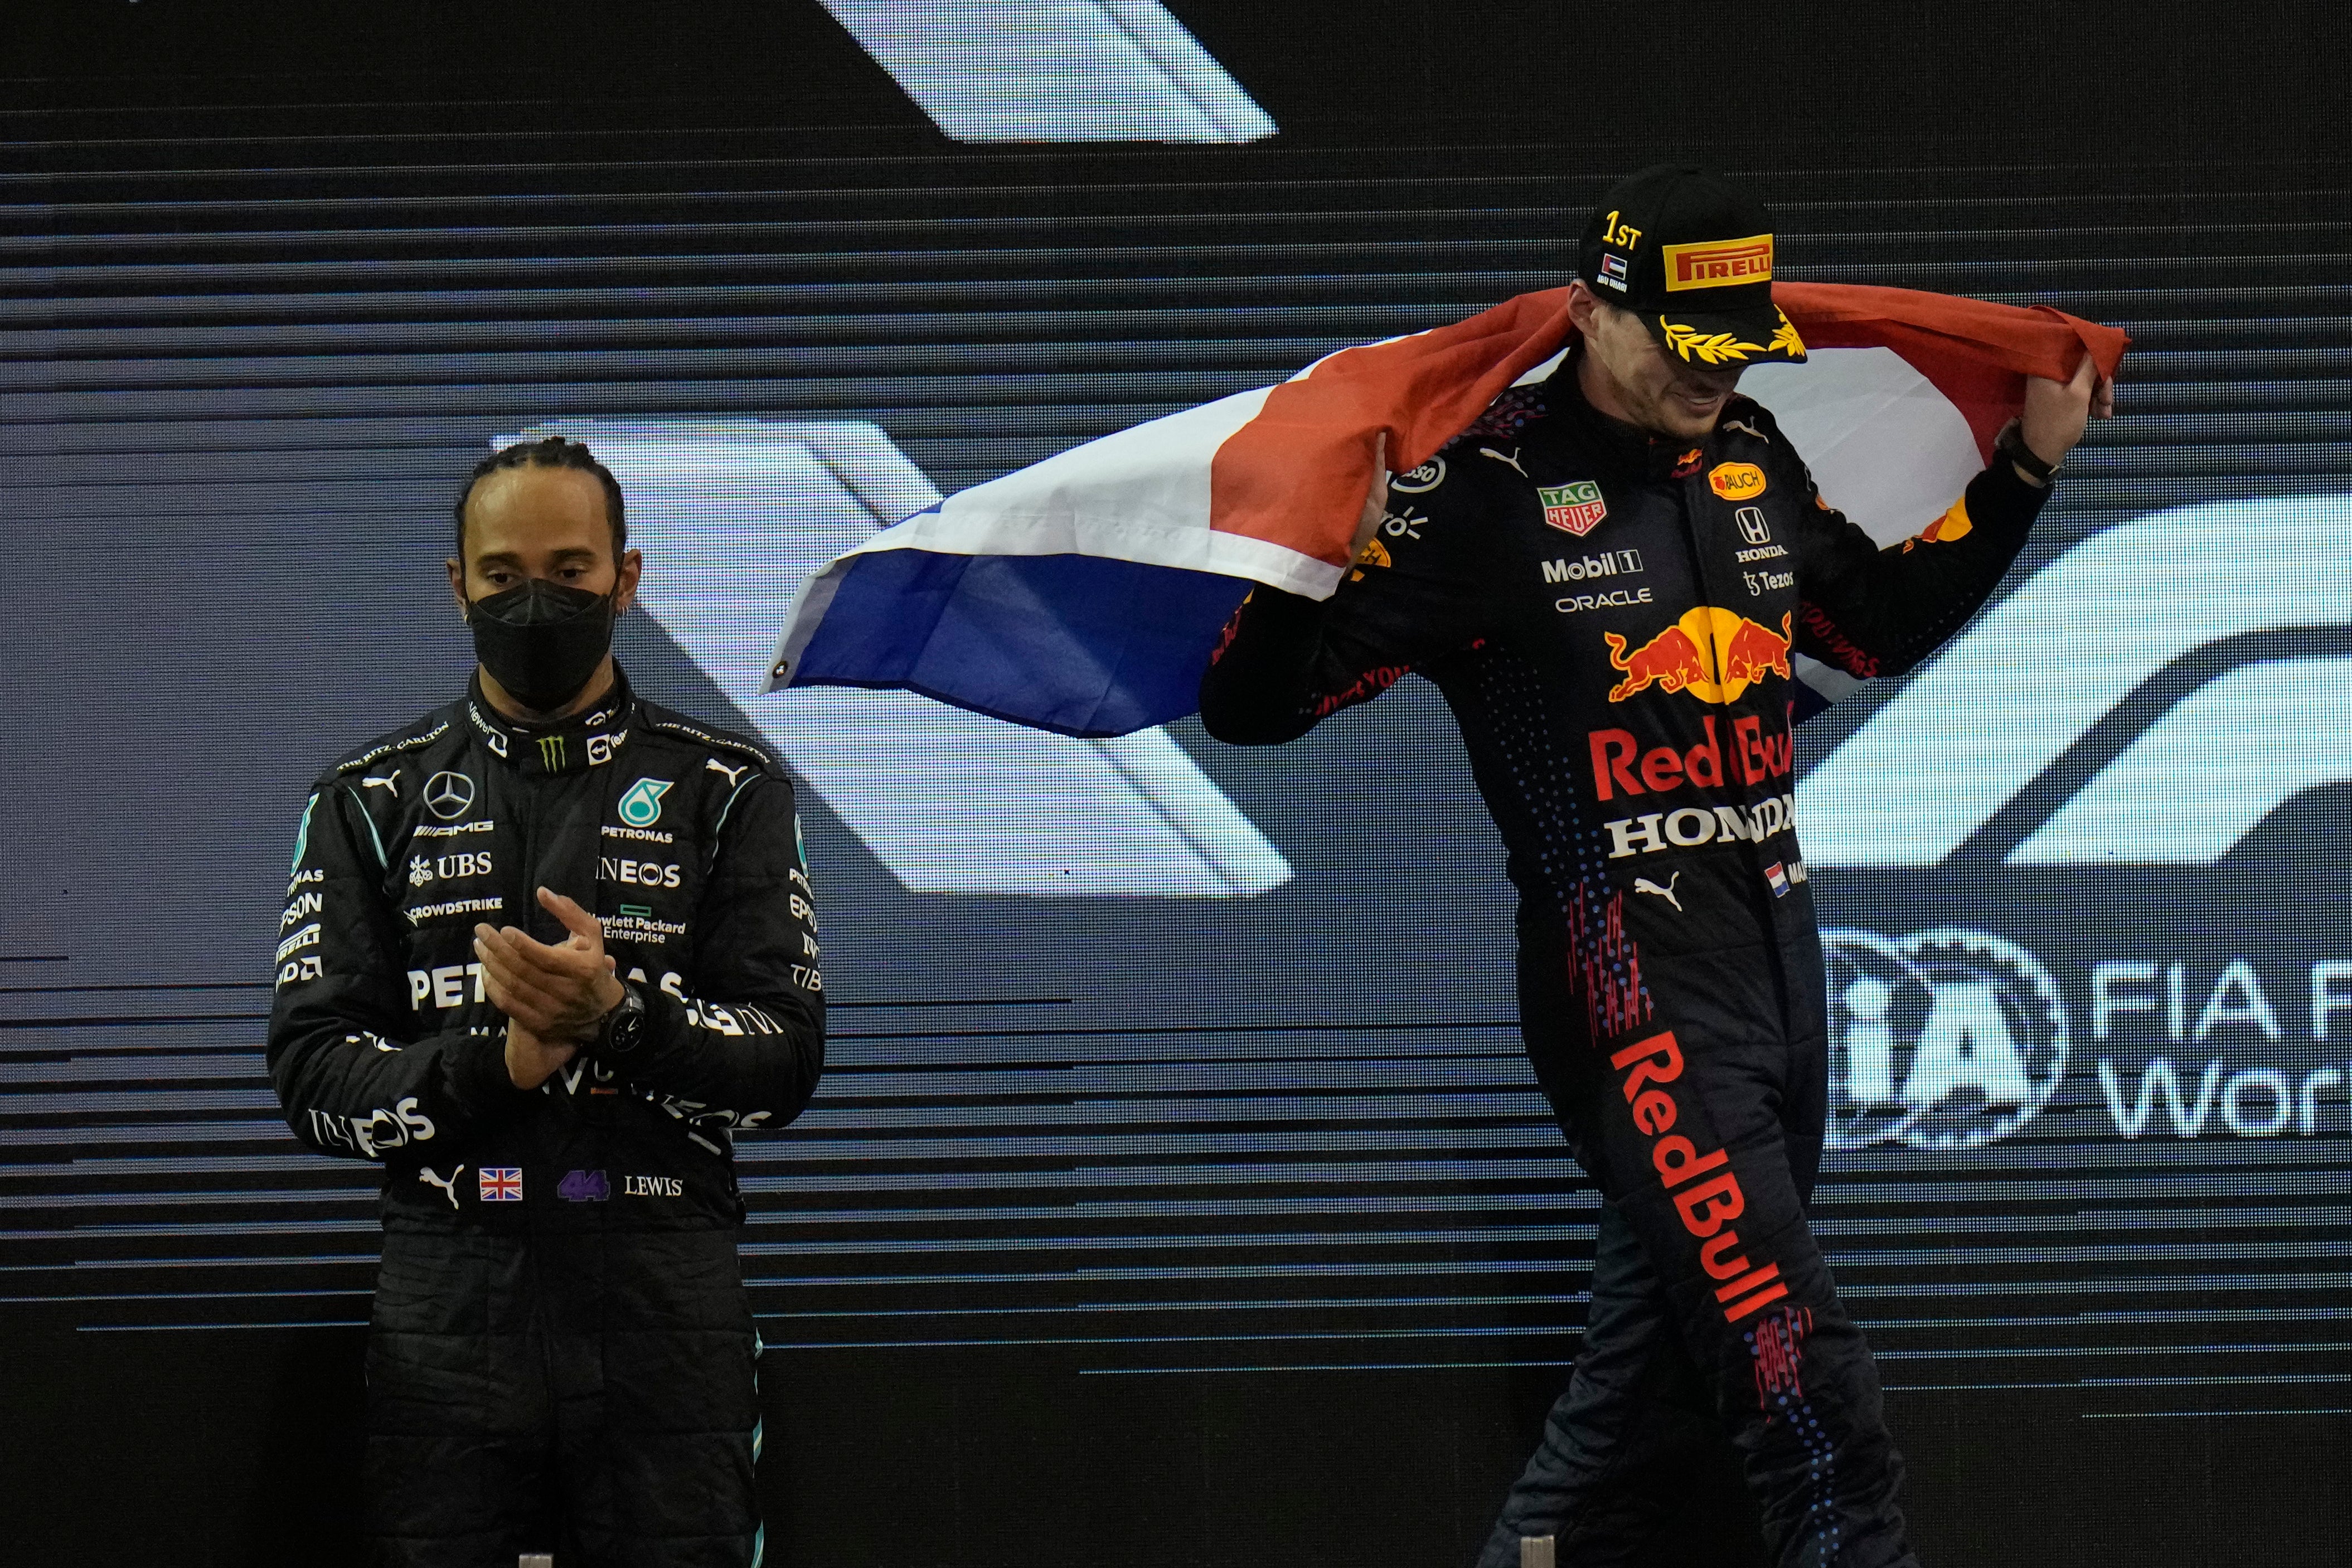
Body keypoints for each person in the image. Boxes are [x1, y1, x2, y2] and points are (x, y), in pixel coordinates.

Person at [1197, 166, 2109, 1567]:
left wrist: (2027, 468)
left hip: (1781, 973)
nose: (1715, 374)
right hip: (1630, 995)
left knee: (1638, 1419)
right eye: (1688, 347)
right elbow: (1254, 707)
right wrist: (1311, 558)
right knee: (1813, 1404)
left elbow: (1872, 627)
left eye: (1737, 343)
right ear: (1589, 315)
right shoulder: (1479, 488)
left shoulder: (1749, 448)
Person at [267, 436, 827, 1568]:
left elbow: (786, 1066)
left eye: (570, 571)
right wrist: (503, 1061)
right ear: (458, 583)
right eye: (504, 571)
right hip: (448, 1292)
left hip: (665, 1287)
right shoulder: (370, 797)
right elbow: (312, 1073)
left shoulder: (728, 788)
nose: (536, 599)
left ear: (627, 577)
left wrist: (619, 1020)